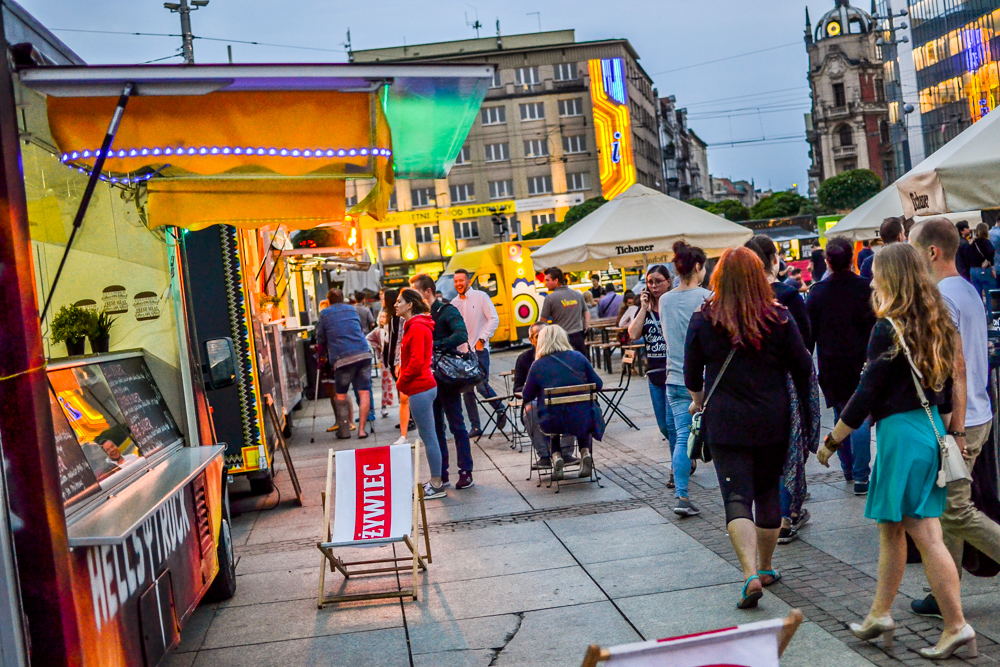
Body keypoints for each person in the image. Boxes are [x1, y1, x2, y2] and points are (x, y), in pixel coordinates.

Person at [816, 243, 975, 660]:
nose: (870, 279)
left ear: (891, 278)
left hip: (901, 434)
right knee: (894, 528)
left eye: (876, 273)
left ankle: (956, 625)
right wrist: (955, 428)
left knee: (925, 533)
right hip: (928, 429)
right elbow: (954, 380)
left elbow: (865, 392)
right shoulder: (937, 319)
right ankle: (880, 613)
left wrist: (832, 440)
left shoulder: (889, 327)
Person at [685, 247, 813, 609]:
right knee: (768, 494)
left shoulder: (704, 318)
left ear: (718, 278)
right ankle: (768, 566)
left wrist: (699, 400)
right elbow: (803, 368)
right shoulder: (779, 317)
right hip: (773, 417)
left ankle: (748, 574)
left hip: (725, 420)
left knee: (736, 496)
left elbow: (691, 375)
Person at [910, 218, 1000, 618]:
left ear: (932, 252)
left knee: (956, 509)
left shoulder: (943, 295)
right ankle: (944, 590)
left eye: (914, 251)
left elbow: (955, 367)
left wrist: (956, 427)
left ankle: (943, 591)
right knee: (949, 506)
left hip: (964, 417)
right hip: (978, 410)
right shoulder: (965, 288)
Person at [746, 234, 818, 541]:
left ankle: (768, 514)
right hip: (786, 384)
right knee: (789, 448)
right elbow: (805, 339)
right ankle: (786, 515)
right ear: (774, 259)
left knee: (762, 453)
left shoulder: (739, 298)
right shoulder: (786, 295)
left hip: (749, 386)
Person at [806, 237, 877, 494]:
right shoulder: (865, 288)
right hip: (862, 361)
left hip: (831, 364)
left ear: (828, 262)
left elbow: (808, 335)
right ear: (852, 260)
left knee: (841, 413)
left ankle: (848, 469)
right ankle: (861, 476)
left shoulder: (817, 292)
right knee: (860, 418)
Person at [661, 243, 713, 516]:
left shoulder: (664, 300)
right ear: (697, 267)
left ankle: (681, 494)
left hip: (675, 378)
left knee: (682, 436)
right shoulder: (708, 297)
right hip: (706, 380)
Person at [409, 273, 475, 489]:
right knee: (436, 427)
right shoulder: (417, 317)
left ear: (428, 292)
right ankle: (442, 473)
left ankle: (465, 471)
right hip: (428, 378)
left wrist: (436, 345)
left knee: (457, 424)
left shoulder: (446, 311)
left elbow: (461, 334)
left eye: (416, 292)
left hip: (446, 377)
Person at [522, 325, 604, 481]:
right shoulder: (579, 357)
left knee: (552, 416)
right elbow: (598, 385)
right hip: (583, 419)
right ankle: (585, 451)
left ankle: (556, 456)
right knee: (579, 413)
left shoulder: (537, 365)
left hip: (552, 422)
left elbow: (527, 395)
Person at [393, 288, 446, 499]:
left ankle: (436, 483)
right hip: (421, 386)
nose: (395, 305)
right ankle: (436, 480)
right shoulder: (415, 325)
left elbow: (415, 361)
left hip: (420, 387)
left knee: (429, 437)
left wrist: (401, 382)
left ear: (410, 305)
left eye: (399, 301)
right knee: (430, 436)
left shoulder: (416, 327)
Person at [627, 265, 677, 484]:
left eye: (658, 281)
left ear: (669, 281)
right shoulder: (646, 309)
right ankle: (684, 455)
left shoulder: (674, 305)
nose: (654, 286)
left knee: (673, 424)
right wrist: (643, 308)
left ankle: (677, 469)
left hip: (674, 372)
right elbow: (634, 334)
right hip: (655, 373)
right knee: (664, 426)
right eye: (650, 282)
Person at [452, 268, 507, 437]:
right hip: (462, 352)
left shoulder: (481, 297)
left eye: (461, 280)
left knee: (482, 385)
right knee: (466, 391)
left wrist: (483, 339)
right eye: (456, 281)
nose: (458, 284)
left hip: (479, 349)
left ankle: (500, 408)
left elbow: (493, 318)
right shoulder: (454, 303)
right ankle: (475, 427)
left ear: (468, 281)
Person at [514, 323, 577, 468]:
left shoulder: (560, 356)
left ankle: (566, 454)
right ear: (531, 339)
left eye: (545, 335)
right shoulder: (525, 359)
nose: (543, 339)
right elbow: (517, 388)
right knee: (530, 411)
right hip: (537, 402)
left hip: (560, 401)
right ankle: (545, 455)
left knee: (572, 405)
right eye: (538, 336)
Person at [316, 289, 373, 439]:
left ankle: (345, 431)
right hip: (363, 352)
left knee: (340, 394)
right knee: (364, 392)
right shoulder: (352, 309)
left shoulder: (325, 313)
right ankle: (362, 430)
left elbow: (320, 337)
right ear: (343, 299)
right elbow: (358, 328)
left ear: (328, 301)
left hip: (343, 357)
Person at [746, 235, 811, 350]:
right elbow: (805, 337)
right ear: (775, 259)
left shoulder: (742, 295)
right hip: (787, 364)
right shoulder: (790, 295)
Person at [539, 267, 590, 356]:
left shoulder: (549, 298)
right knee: (581, 365)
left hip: (561, 339)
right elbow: (587, 313)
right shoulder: (577, 295)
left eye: (548, 280)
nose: (545, 283)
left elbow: (543, 321)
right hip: (578, 337)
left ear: (556, 280)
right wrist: (585, 328)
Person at [366, 310, 396, 419]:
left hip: (394, 359)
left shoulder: (392, 329)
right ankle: (384, 406)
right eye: (381, 317)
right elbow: (368, 338)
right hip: (384, 360)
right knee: (385, 383)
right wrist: (377, 347)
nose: (382, 319)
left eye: (385, 317)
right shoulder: (378, 331)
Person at [961, 221, 996, 296]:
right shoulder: (986, 242)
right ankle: (989, 308)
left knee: (977, 294)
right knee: (989, 293)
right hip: (983, 270)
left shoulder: (972, 243)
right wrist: (988, 260)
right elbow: (991, 251)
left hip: (973, 270)